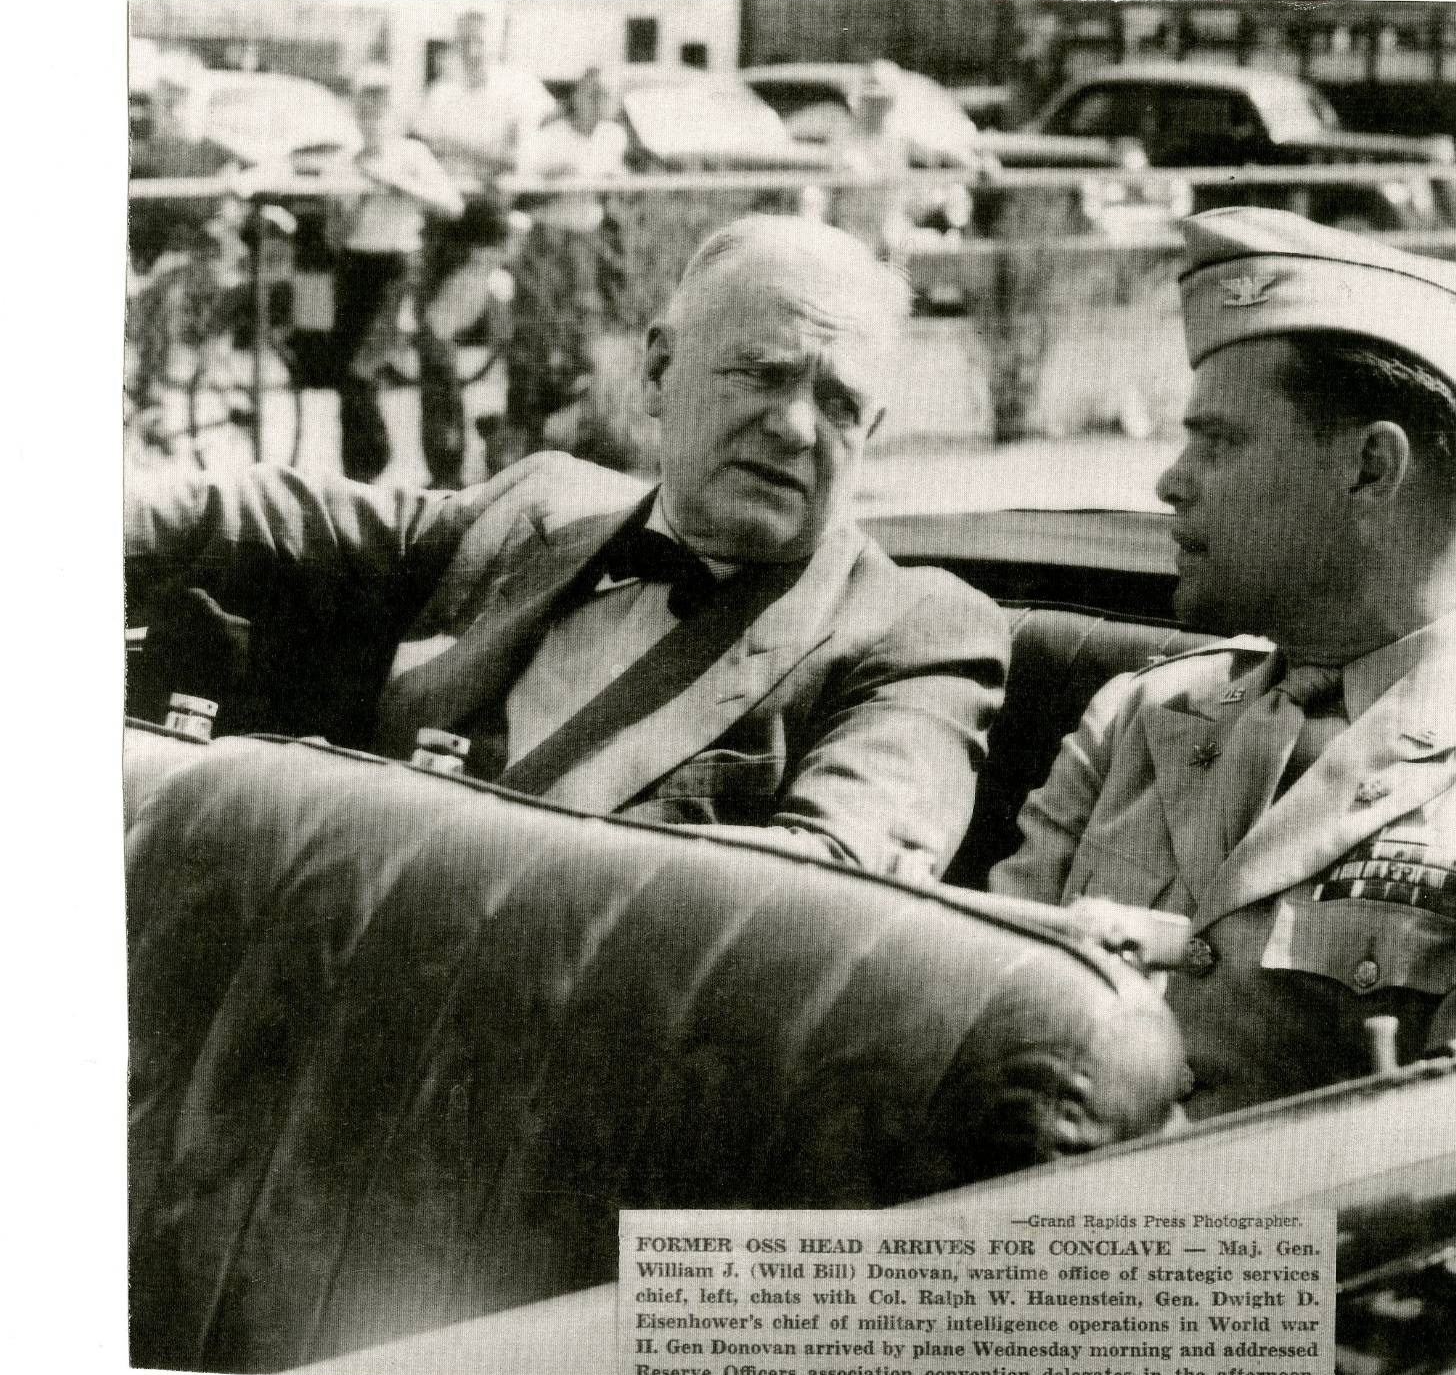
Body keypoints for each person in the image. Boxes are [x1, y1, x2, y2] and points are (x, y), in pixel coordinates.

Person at [989, 208, 1456, 1118]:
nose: (1172, 478)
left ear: (1369, 471)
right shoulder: (1136, 715)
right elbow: (984, 1016)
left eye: (1220, 439)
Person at [127, 215, 1009, 880]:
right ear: (659, 372)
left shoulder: (919, 633)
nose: (793, 427)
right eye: (763, 373)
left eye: (840, 404)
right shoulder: (548, 503)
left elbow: (827, 887)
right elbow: (284, 514)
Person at [409, 12, 555, 486]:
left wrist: (462, 151)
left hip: (490, 232)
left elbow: (519, 160)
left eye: (481, 41)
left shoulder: (518, 90)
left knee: (473, 335)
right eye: (464, 41)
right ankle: (446, 462)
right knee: (432, 343)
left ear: (494, 44)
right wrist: (472, 154)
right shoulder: (441, 95)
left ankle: (504, 452)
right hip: (442, 226)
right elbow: (424, 154)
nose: (473, 50)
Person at [324, 66, 464, 480]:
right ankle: (363, 471)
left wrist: (401, 185)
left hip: (403, 267)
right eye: (366, 102)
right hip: (356, 268)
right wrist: (351, 213)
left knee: (427, 357)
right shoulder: (344, 163)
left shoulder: (411, 154)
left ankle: (444, 465)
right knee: (350, 372)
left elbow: (452, 204)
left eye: (382, 102)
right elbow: (334, 235)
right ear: (355, 110)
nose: (374, 112)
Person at [502, 68, 631, 469]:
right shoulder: (550, 137)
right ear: (576, 96)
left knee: (586, 342)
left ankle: (583, 445)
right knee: (538, 340)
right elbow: (520, 188)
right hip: (549, 244)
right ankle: (527, 442)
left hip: (590, 247)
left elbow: (620, 185)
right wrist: (555, 179)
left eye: (604, 97)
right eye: (590, 95)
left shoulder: (613, 138)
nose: (596, 105)